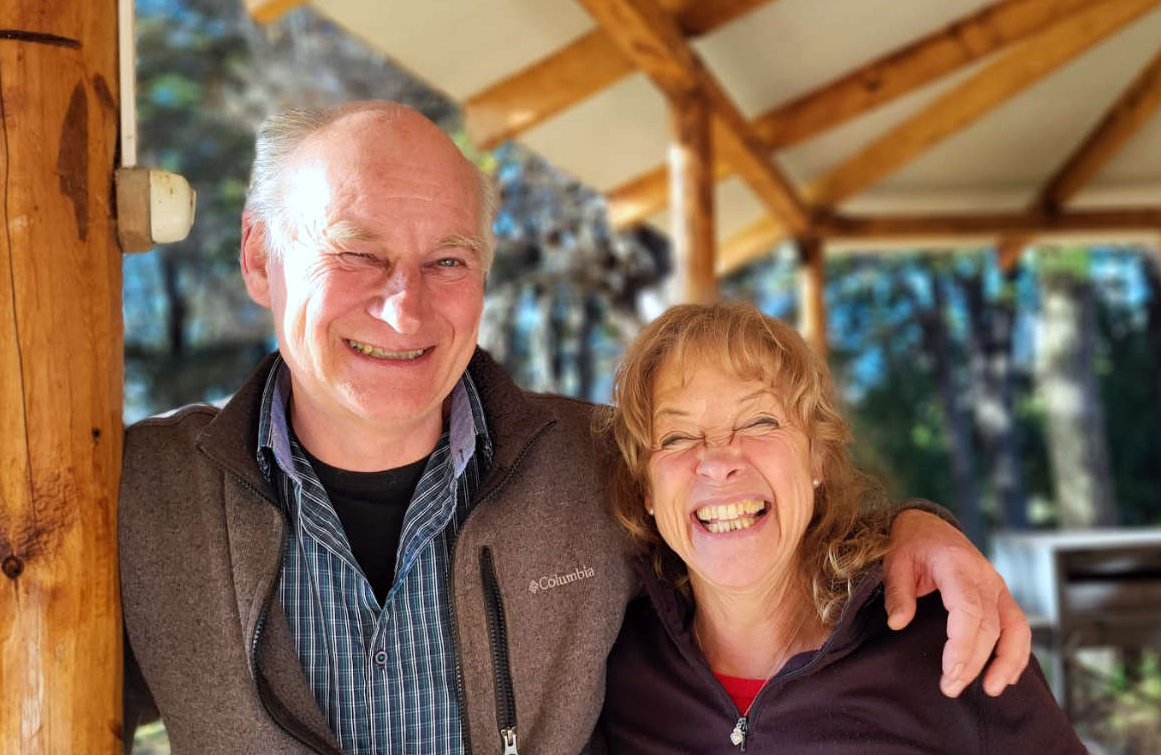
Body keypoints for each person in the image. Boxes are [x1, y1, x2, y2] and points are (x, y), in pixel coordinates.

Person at [119, 101, 1032, 755]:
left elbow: (761, 521)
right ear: (258, 257)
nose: (405, 309)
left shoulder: (602, 465)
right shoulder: (138, 492)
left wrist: (918, 528)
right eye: (357, 253)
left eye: (448, 260)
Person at [598, 302, 1083, 753]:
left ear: (818, 458)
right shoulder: (615, 664)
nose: (719, 461)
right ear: (647, 489)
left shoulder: (949, 635)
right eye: (678, 436)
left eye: (759, 422)